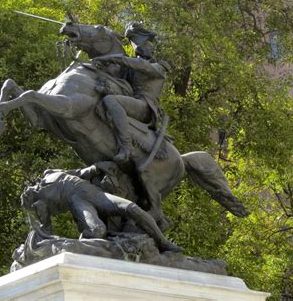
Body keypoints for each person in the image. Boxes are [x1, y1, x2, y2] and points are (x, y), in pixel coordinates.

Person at [20, 165, 183, 253]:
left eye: (27, 191)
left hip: (95, 193)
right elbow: (46, 229)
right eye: (26, 196)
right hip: (77, 200)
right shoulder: (40, 204)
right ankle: (90, 239)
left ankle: (163, 242)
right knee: (98, 230)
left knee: (133, 208)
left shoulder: (49, 173)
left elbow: (80, 172)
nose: (27, 192)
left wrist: (98, 167)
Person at [93, 22, 171, 162]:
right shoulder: (131, 68)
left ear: (151, 49)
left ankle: (126, 146)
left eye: (144, 46)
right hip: (132, 102)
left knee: (111, 100)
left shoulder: (158, 68)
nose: (140, 49)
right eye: (137, 47)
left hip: (145, 107)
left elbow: (140, 65)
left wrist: (111, 58)